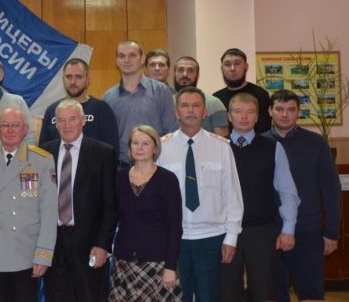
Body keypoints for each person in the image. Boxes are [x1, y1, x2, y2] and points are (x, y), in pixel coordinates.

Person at [158, 87, 243, 302]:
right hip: (174, 239)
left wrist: (231, 237)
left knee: (209, 296)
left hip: (211, 238)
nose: (190, 110)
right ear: (176, 112)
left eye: (196, 106)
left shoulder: (221, 148)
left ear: (205, 112)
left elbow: (232, 195)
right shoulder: (161, 148)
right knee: (177, 297)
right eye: (185, 106)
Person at [221, 93, 299, 302]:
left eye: (250, 112)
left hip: (262, 231)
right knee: (226, 292)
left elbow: (287, 191)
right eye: (238, 111)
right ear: (229, 116)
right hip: (224, 230)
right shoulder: (218, 147)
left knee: (264, 291)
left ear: (257, 117)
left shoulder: (273, 147)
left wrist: (288, 228)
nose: (244, 117)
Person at [264, 90, 341, 302]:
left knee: (311, 293)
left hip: (308, 231)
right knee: (273, 294)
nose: (285, 115)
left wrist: (332, 232)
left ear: (299, 112)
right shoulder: (260, 143)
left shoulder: (316, 143)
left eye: (291, 110)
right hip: (270, 231)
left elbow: (331, 189)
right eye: (279, 109)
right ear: (269, 111)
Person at [0, 107, 57, 302]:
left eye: (15, 125)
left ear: (25, 129)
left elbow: (49, 212)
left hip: (26, 252)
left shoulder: (42, 160)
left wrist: (44, 254)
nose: (10, 130)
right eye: (5, 125)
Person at [41, 99, 117, 301]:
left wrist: (102, 245)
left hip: (90, 244)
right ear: (55, 124)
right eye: (61, 120)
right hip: (54, 244)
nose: (66, 125)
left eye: (72, 119)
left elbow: (110, 205)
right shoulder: (44, 153)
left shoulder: (103, 153)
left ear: (83, 121)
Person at [110, 125, 183, 302]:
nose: (140, 148)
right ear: (129, 148)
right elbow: (111, 218)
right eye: (135, 143)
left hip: (158, 263)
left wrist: (170, 266)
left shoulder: (167, 179)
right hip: (124, 261)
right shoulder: (119, 178)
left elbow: (175, 227)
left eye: (145, 143)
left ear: (155, 148)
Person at [103, 40, 178, 167]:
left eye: (132, 55)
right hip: (120, 168)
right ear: (116, 61)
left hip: (154, 166)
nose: (126, 60)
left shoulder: (161, 91)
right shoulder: (108, 97)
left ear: (142, 58)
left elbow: (171, 133)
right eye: (121, 56)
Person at [38, 58, 119, 153]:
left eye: (78, 77)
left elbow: (112, 151)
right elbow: (42, 151)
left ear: (88, 80)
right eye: (68, 77)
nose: (73, 82)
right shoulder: (52, 110)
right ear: (63, 79)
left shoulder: (102, 109)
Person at [213, 48, 271, 134]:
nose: (232, 68)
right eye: (227, 64)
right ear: (222, 69)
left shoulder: (260, 95)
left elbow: (264, 130)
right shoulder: (216, 98)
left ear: (246, 66)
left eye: (237, 64)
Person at [173, 56, 229, 137]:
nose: (185, 74)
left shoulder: (214, 104)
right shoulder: (165, 103)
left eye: (190, 71)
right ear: (174, 74)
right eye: (180, 70)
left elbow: (221, 141)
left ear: (197, 75)